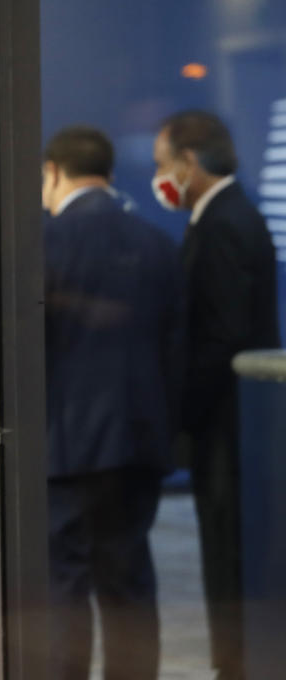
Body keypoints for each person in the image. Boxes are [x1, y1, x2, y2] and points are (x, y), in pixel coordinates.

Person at [42, 126, 183, 680]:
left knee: (64, 588)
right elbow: (176, 349)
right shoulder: (157, 243)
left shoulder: (40, 243)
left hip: (63, 445)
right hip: (138, 442)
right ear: (108, 173)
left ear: (52, 171)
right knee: (128, 586)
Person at [152, 110, 280, 680]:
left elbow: (222, 336)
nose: (161, 180)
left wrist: (180, 411)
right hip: (226, 426)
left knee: (229, 556)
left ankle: (239, 666)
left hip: (228, 428)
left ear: (189, 160)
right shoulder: (221, 216)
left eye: (163, 165)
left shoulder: (226, 222)